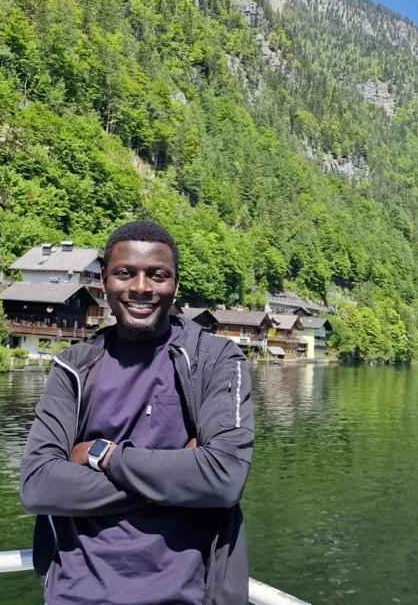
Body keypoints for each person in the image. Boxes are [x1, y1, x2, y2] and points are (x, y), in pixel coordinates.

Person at [20, 220, 254, 605]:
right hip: (76, 594)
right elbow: (38, 485)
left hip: (189, 595)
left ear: (175, 284)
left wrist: (102, 455)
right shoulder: (73, 368)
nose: (141, 288)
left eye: (157, 275)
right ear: (104, 280)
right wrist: (181, 476)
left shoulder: (215, 360)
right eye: (125, 273)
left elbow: (224, 479)